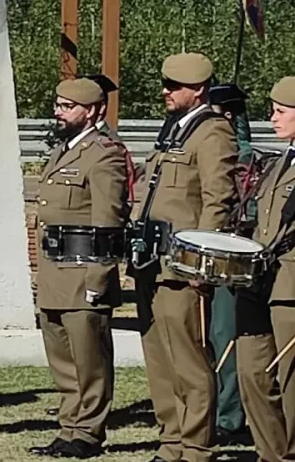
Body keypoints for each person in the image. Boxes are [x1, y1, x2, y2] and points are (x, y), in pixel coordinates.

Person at [129, 52, 237, 462]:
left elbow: (217, 200)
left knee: (189, 360)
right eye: (166, 84)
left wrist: (201, 262)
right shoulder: (175, 130)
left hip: (182, 266)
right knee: (160, 360)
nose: (166, 91)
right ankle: (171, 440)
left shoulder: (212, 133)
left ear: (199, 89)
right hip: (153, 261)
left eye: (174, 86)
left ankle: (195, 446)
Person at [28, 78, 127, 459]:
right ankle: (69, 427)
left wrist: (98, 278)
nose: (59, 112)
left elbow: (107, 223)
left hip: (83, 273)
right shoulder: (62, 151)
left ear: (94, 110)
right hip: (54, 274)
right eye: (57, 105)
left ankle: (88, 432)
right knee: (63, 361)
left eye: (68, 106)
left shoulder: (103, 155)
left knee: (90, 362)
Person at [236, 76, 295, 462]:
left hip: (291, 286)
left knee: (291, 381)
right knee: (252, 371)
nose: (272, 118)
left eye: (281, 111)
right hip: (261, 282)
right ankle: (272, 453)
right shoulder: (278, 163)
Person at [206, 82, 254, 446]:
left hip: (230, 257)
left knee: (224, 335)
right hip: (202, 254)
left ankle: (230, 415)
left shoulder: (245, 160)